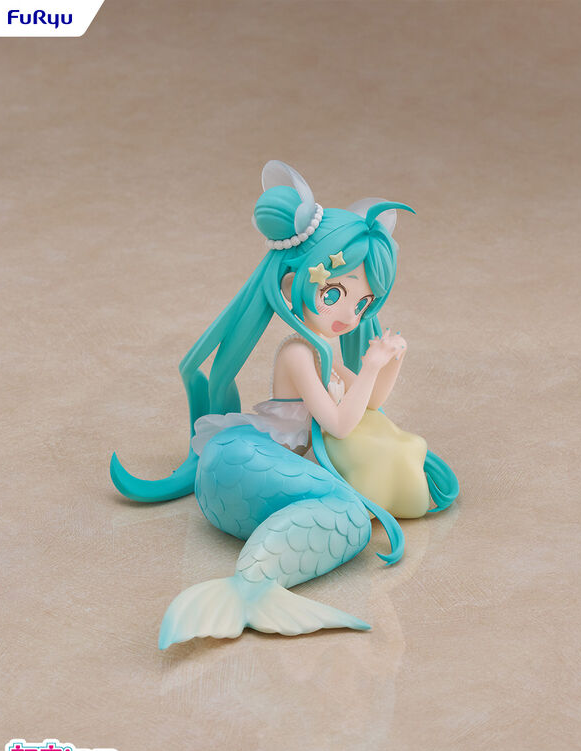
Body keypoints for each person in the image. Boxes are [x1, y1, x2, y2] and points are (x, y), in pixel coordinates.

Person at [110, 161, 459, 647]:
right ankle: (246, 592)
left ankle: (252, 589)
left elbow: (371, 403)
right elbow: (339, 423)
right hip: (240, 459)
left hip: (262, 465)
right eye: (334, 293)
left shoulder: (325, 348)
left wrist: (390, 362)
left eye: (362, 304)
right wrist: (372, 368)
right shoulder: (298, 352)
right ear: (294, 285)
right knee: (349, 517)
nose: (348, 314)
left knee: (352, 511)